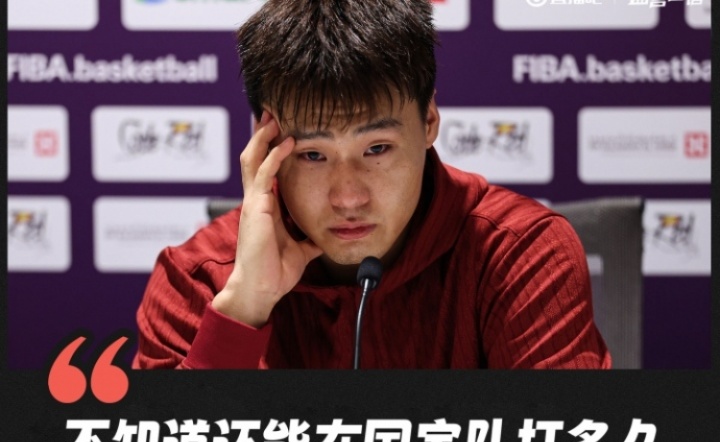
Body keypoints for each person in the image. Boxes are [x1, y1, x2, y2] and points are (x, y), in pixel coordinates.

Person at [133, 0, 611, 369]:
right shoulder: (197, 279)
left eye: (377, 149)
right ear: (264, 141)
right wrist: (243, 309)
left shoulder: (521, 255)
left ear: (429, 121)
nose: (348, 197)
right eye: (313, 155)